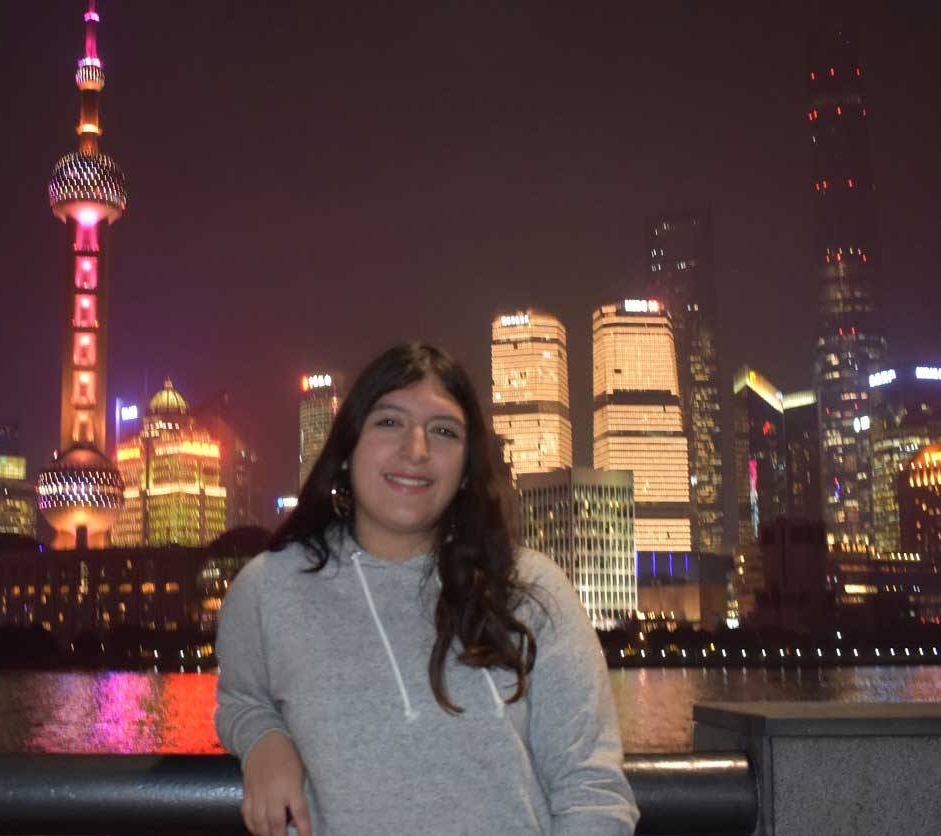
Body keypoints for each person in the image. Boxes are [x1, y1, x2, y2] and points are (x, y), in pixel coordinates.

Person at [215, 343, 638, 836]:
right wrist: (264, 739)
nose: (416, 450)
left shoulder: (530, 588)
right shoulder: (269, 589)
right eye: (389, 422)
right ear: (347, 450)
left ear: (465, 470)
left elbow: (591, 787)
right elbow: (241, 698)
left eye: (443, 431)